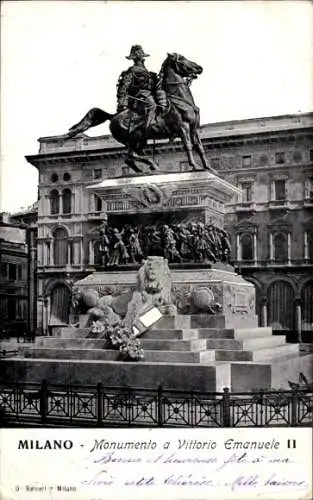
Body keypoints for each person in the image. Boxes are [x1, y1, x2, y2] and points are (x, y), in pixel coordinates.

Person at [116, 45, 158, 132]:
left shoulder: (145, 70)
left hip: (149, 93)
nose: (141, 59)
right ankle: (148, 126)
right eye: (139, 57)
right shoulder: (131, 71)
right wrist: (122, 103)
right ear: (135, 59)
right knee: (152, 105)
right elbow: (124, 86)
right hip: (140, 95)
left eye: (141, 57)